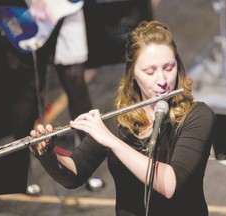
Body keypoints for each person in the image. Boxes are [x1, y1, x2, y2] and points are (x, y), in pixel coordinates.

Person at [29, 20, 216, 215]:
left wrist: (111, 141)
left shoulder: (197, 116)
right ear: (133, 73)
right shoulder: (119, 112)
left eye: (169, 67)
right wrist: (47, 155)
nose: (162, 80)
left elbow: (170, 185)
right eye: (150, 71)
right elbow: (74, 174)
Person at [2, 0, 93, 195]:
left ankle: (87, 160)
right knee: (30, 91)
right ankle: (22, 169)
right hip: (29, 11)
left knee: (76, 83)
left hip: (68, 8)